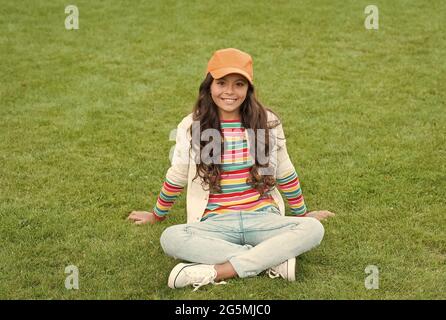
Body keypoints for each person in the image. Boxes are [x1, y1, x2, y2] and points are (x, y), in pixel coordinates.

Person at [128, 48, 335, 291]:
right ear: (209, 86)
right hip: (216, 224)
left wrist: (301, 214)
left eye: (239, 84)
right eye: (221, 83)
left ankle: (221, 270)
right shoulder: (192, 125)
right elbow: (178, 175)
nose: (229, 91)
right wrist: (157, 215)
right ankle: (272, 260)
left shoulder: (266, 122)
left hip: (262, 218)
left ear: (248, 89)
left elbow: (285, 172)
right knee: (171, 238)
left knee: (312, 229)